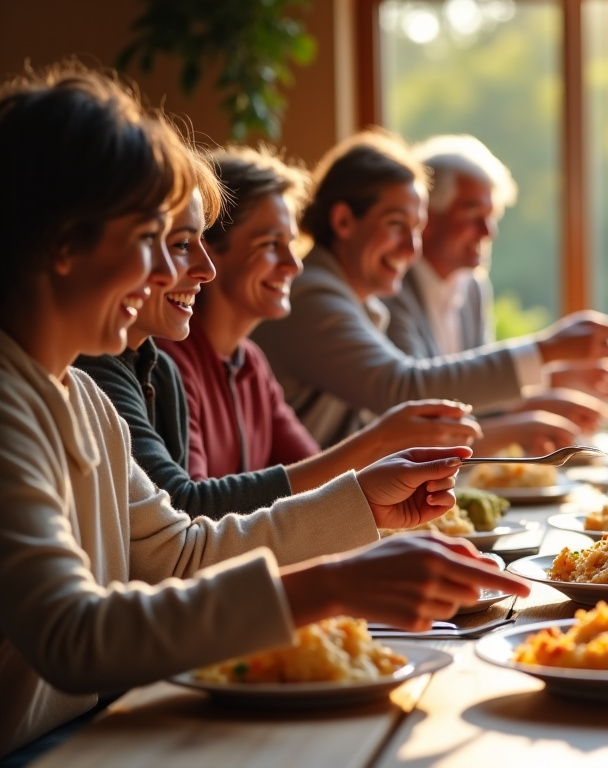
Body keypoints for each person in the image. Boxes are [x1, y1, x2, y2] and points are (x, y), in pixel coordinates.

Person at [0, 65, 529, 759]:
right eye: (149, 238)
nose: (172, 270)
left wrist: (364, 502)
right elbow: (73, 636)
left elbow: (178, 552)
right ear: (63, 242)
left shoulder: (84, 396)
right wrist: (332, 584)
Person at [81, 145, 473, 518]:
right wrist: (378, 444)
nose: (294, 265)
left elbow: (312, 471)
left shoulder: (244, 362)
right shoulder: (167, 364)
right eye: (271, 244)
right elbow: (189, 512)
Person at [250, 130, 608, 450]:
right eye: (396, 225)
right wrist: (548, 350)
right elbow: (405, 392)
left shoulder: (355, 299)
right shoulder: (313, 296)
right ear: (343, 221)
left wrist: (548, 386)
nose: (410, 249)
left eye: (414, 229)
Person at [385, 134, 608, 405]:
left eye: (492, 217)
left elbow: (476, 393)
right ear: (427, 217)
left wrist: (557, 379)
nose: (488, 232)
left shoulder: (472, 287)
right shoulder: (391, 287)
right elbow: (415, 400)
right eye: (473, 216)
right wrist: (548, 351)